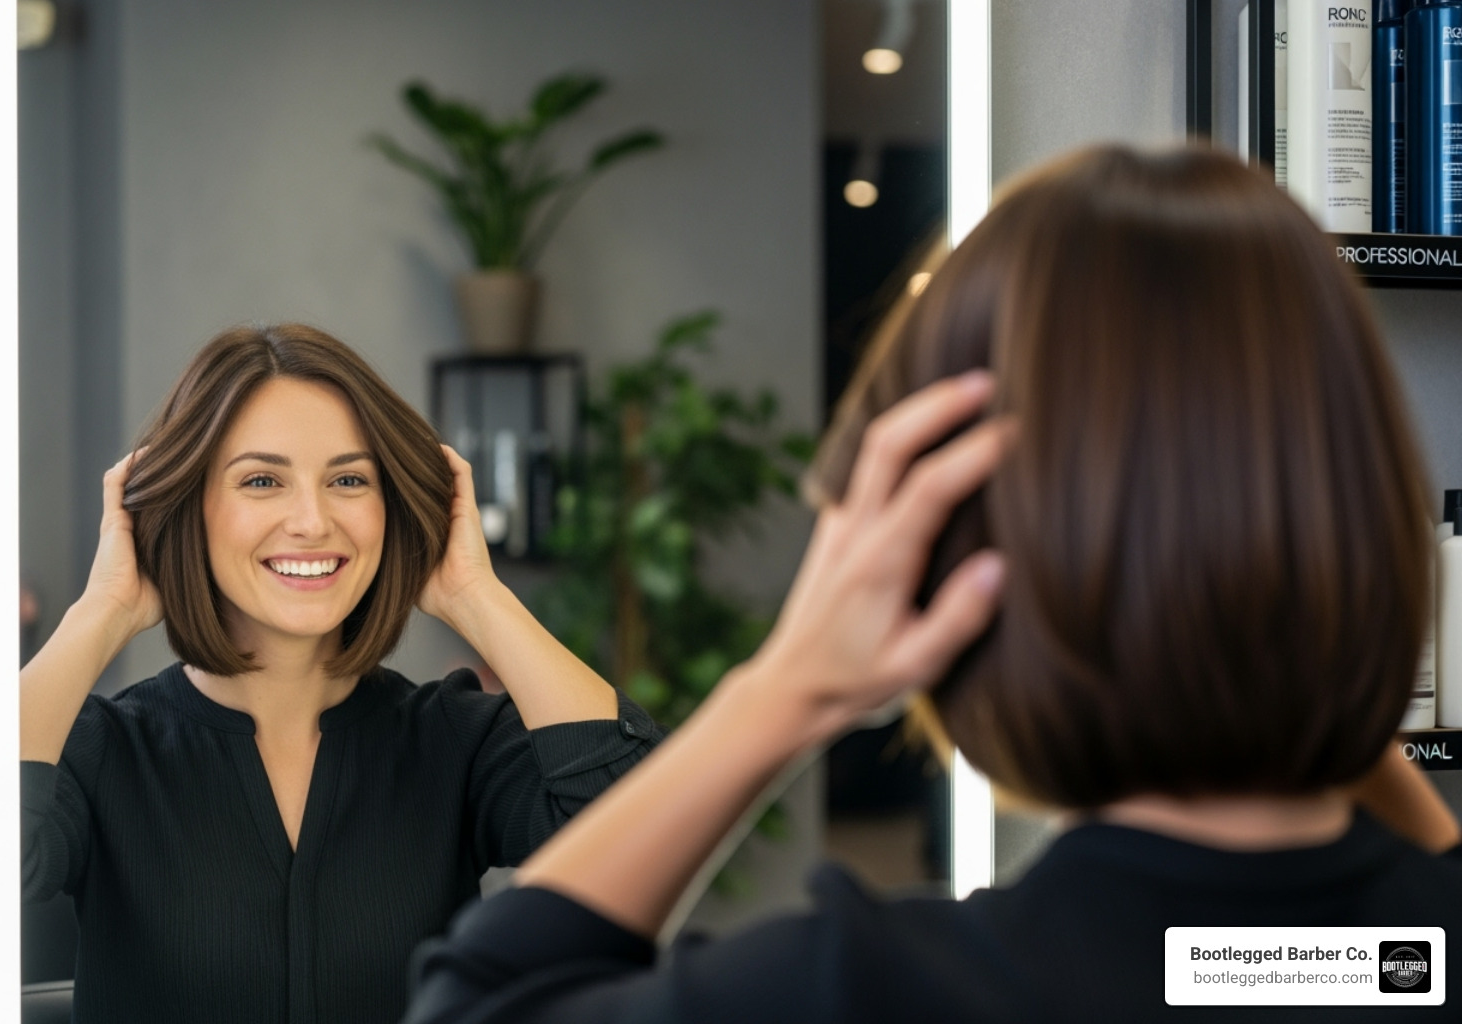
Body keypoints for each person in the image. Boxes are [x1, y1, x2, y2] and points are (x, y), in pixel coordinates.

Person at [400, 146, 1462, 1023]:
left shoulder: (867, 993)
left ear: (947, 578)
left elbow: (481, 997)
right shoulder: (1414, 958)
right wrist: (1283, 659)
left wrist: (786, 687)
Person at [20, 323, 660, 1024]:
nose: (312, 520)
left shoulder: (455, 738)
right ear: (188, 506)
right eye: (262, 480)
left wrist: (479, 598)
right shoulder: (100, 751)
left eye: (349, 480)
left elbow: (650, 829)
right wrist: (100, 614)